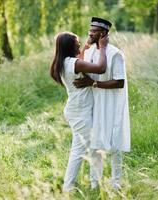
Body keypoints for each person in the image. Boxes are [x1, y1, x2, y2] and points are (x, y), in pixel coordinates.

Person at [74, 17, 131, 190]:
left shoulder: (115, 54)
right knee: (94, 144)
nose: (90, 33)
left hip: (111, 104)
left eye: (95, 30)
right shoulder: (90, 51)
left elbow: (119, 82)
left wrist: (93, 83)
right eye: (90, 29)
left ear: (104, 33)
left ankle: (116, 184)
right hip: (94, 103)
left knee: (114, 145)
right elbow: (78, 63)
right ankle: (94, 184)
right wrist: (85, 45)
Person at [50, 31, 109, 192]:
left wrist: (89, 44)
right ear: (70, 46)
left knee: (95, 147)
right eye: (77, 42)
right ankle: (68, 188)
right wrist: (102, 47)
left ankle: (95, 184)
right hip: (79, 113)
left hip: (77, 110)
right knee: (79, 151)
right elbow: (101, 68)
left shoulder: (66, 62)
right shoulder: (74, 64)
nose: (80, 44)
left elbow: (80, 59)